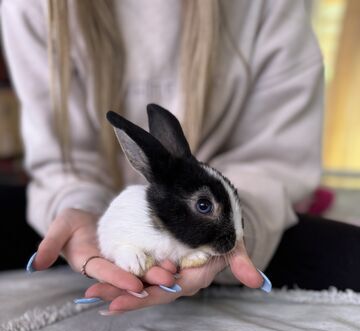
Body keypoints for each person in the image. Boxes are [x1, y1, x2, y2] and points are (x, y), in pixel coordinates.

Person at [1, 0, 358, 314]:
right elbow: (62, 160)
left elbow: (274, 156)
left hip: (248, 207)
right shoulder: (33, 6)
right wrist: (76, 207)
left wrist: (241, 224)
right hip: (97, 209)